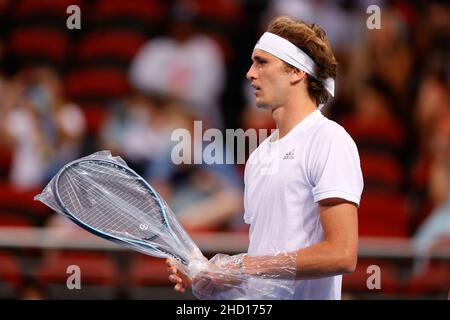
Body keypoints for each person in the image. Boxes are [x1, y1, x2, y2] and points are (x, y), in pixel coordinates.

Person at [167, 16, 363, 300]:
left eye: (262, 62)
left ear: (296, 71)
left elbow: (342, 253)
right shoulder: (259, 157)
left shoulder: (329, 139)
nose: (249, 73)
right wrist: (215, 277)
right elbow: (265, 269)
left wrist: (244, 265)